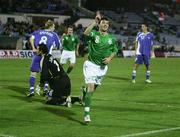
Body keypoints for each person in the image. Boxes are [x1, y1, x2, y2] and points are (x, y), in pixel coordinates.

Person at [82, 14, 118, 123]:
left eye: (107, 24)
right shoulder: (94, 34)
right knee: (91, 88)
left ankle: (84, 93)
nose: (105, 25)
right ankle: (86, 114)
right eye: (103, 23)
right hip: (91, 65)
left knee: (93, 89)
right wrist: (94, 22)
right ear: (99, 25)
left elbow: (115, 51)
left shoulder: (112, 38)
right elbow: (85, 33)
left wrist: (109, 59)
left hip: (102, 68)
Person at [27, 20, 61, 97]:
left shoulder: (38, 32)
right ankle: (45, 89)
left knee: (33, 73)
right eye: (54, 27)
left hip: (37, 54)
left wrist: (33, 48)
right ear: (51, 26)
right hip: (46, 57)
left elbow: (31, 38)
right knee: (46, 73)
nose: (54, 28)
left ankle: (31, 90)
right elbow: (57, 46)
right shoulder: (54, 35)